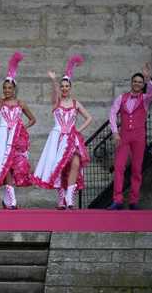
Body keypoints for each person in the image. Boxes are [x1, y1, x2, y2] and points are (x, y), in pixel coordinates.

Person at [32, 55, 93, 209]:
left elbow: (89, 118)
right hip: (58, 138)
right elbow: (54, 95)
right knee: (58, 166)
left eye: (67, 86)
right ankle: (61, 198)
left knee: (76, 163)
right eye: (62, 86)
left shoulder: (75, 103)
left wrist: (77, 129)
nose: (64, 88)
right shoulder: (56, 103)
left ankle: (69, 198)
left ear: (70, 88)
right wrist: (53, 81)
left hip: (72, 138)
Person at [0, 52, 36, 209]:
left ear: (14, 89)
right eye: (4, 88)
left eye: (9, 88)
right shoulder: (0, 103)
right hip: (3, 137)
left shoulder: (20, 103)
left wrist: (21, 129)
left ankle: (7, 200)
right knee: (5, 166)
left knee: (13, 166)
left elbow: (33, 119)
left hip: (16, 138)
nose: (6, 90)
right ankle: (11, 200)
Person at [107, 62, 152, 210]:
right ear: (131, 83)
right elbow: (112, 114)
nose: (137, 84)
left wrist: (148, 80)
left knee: (136, 169)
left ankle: (134, 201)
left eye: (140, 82)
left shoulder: (145, 98)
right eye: (135, 81)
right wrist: (115, 132)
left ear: (142, 85)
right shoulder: (122, 98)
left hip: (139, 137)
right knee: (119, 167)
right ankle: (118, 200)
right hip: (124, 136)